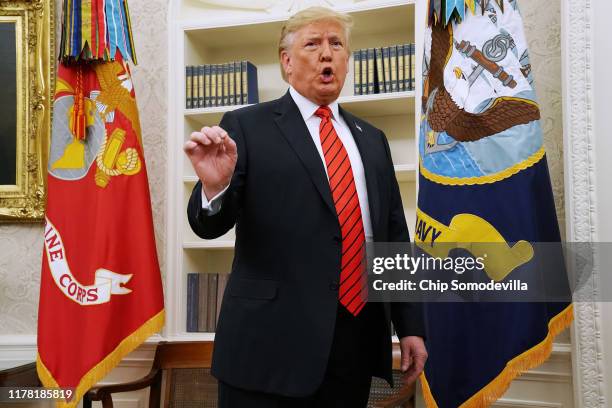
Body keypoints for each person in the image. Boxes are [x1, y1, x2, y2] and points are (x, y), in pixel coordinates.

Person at [184, 7, 427, 407]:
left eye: (336, 44)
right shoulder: (246, 126)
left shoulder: (373, 139)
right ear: (286, 61)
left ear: (348, 60)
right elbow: (208, 226)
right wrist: (216, 186)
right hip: (268, 350)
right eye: (312, 44)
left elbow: (394, 241)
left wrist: (411, 326)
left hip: (354, 343)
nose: (326, 53)